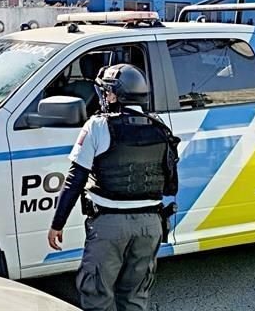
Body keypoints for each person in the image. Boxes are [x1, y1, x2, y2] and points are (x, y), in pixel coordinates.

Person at [47, 64, 179, 311]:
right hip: (150, 225)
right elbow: (171, 181)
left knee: (97, 293)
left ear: (114, 95)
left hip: (110, 225)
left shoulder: (98, 125)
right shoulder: (160, 126)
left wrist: (57, 223)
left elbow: (75, 178)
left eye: (106, 92)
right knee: (136, 295)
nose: (104, 97)